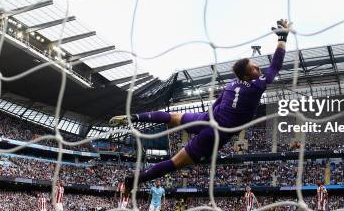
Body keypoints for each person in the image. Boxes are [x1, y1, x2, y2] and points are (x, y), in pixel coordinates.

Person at [110, 19, 292, 195]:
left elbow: (218, 102)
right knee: (175, 163)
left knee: (172, 117)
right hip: (216, 133)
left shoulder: (231, 84)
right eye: (254, 68)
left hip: (207, 118)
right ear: (245, 76)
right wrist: (282, 38)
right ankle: (134, 180)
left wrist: (205, 118)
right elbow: (276, 65)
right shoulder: (258, 85)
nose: (258, 68)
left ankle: (134, 117)